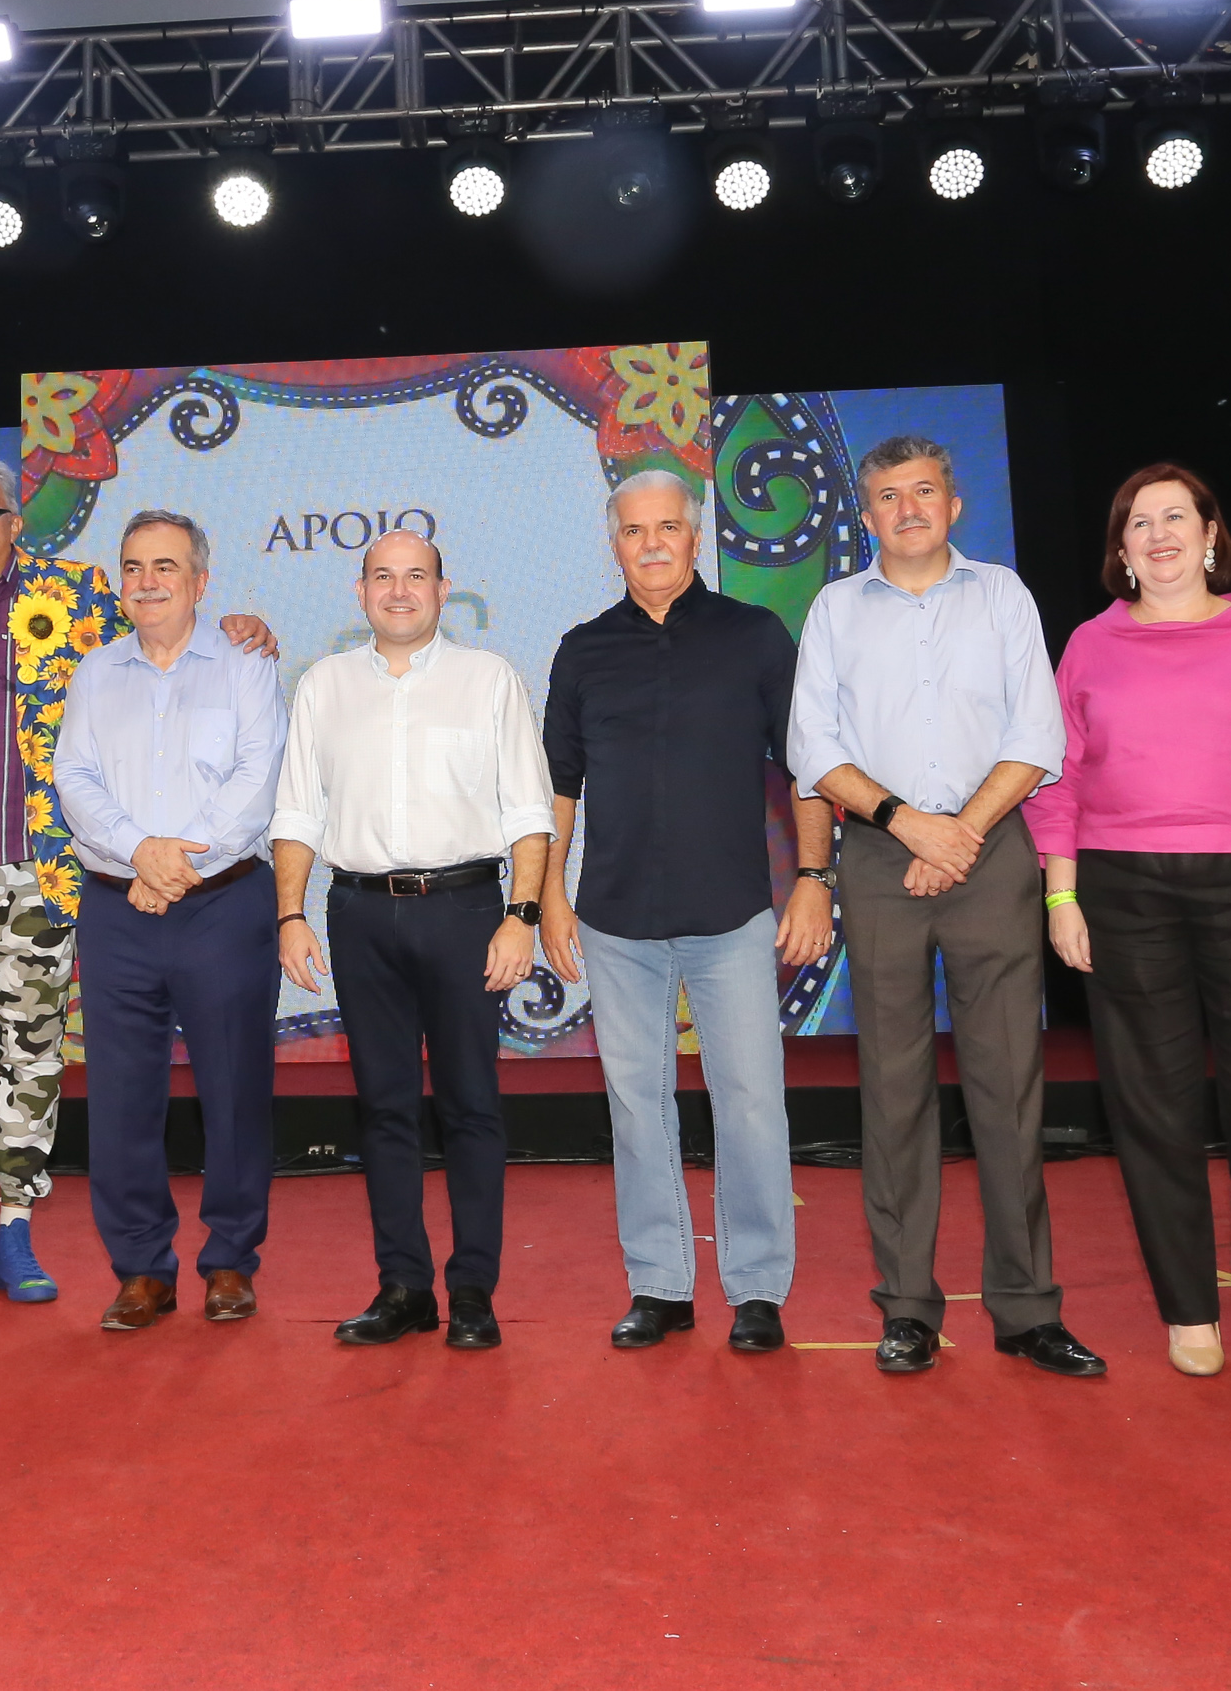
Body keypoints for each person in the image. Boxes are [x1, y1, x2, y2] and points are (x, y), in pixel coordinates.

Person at [0, 457, 275, 1313]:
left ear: (17, 521)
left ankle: (31, 1234)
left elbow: (243, 762)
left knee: (44, 1063)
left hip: (54, 880)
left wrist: (168, 862)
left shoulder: (84, 598)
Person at [1024, 465, 1231, 1379]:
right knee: (1153, 1107)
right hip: (1121, 894)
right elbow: (1060, 780)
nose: (1159, 534)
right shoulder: (1090, 646)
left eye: (1177, 517)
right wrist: (1061, 897)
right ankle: (1187, 1311)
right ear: (1120, 549)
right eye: (1139, 522)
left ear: (1212, 535)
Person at [788, 437, 1104, 1378]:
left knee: (1008, 1089)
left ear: (953, 505)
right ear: (866, 512)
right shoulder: (835, 609)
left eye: (925, 491)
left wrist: (958, 831)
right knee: (892, 1092)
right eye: (888, 496)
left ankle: (1025, 1308)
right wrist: (909, 826)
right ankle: (909, 1308)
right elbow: (814, 747)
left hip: (991, 846)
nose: (909, 508)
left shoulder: (1002, 595)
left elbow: (1036, 732)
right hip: (883, 858)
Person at [540, 468, 838, 1353]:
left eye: (669, 526)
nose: (653, 542)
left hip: (732, 912)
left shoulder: (755, 636)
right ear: (615, 542)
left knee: (750, 1101)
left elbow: (808, 766)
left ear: (695, 535)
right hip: (613, 917)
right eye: (635, 531)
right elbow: (558, 790)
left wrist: (815, 879)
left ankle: (756, 1291)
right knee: (636, 1105)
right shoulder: (581, 650)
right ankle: (660, 1285)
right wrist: (549, 895)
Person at [271, 530, 554, 1351]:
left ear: (443, 588)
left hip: (468, 911)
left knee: (470, 1106)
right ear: (360, 591)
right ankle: (403, 1287)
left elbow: (529, 813)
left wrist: (522, 917)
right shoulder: (323, 687)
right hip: (359, 916)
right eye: (383, 578)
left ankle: (472, 1291)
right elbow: (297, 813)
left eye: (416, 577)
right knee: (385, 1109)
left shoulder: (488, 679)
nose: (400, 592)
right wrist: (291, 915)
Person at [53, 512, 286, 1331]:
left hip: (224, 905)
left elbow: (259, 777)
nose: (147, 581)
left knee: (234, 1089)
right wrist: (139, 852)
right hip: (118, 911)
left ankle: (230, 1260)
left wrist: (172, 867)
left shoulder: (247, 665)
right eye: (133, 567)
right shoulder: (93, 673)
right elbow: (74, 778)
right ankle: (141, 1269)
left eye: (165, 566)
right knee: (120, 1098)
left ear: (200, 581)